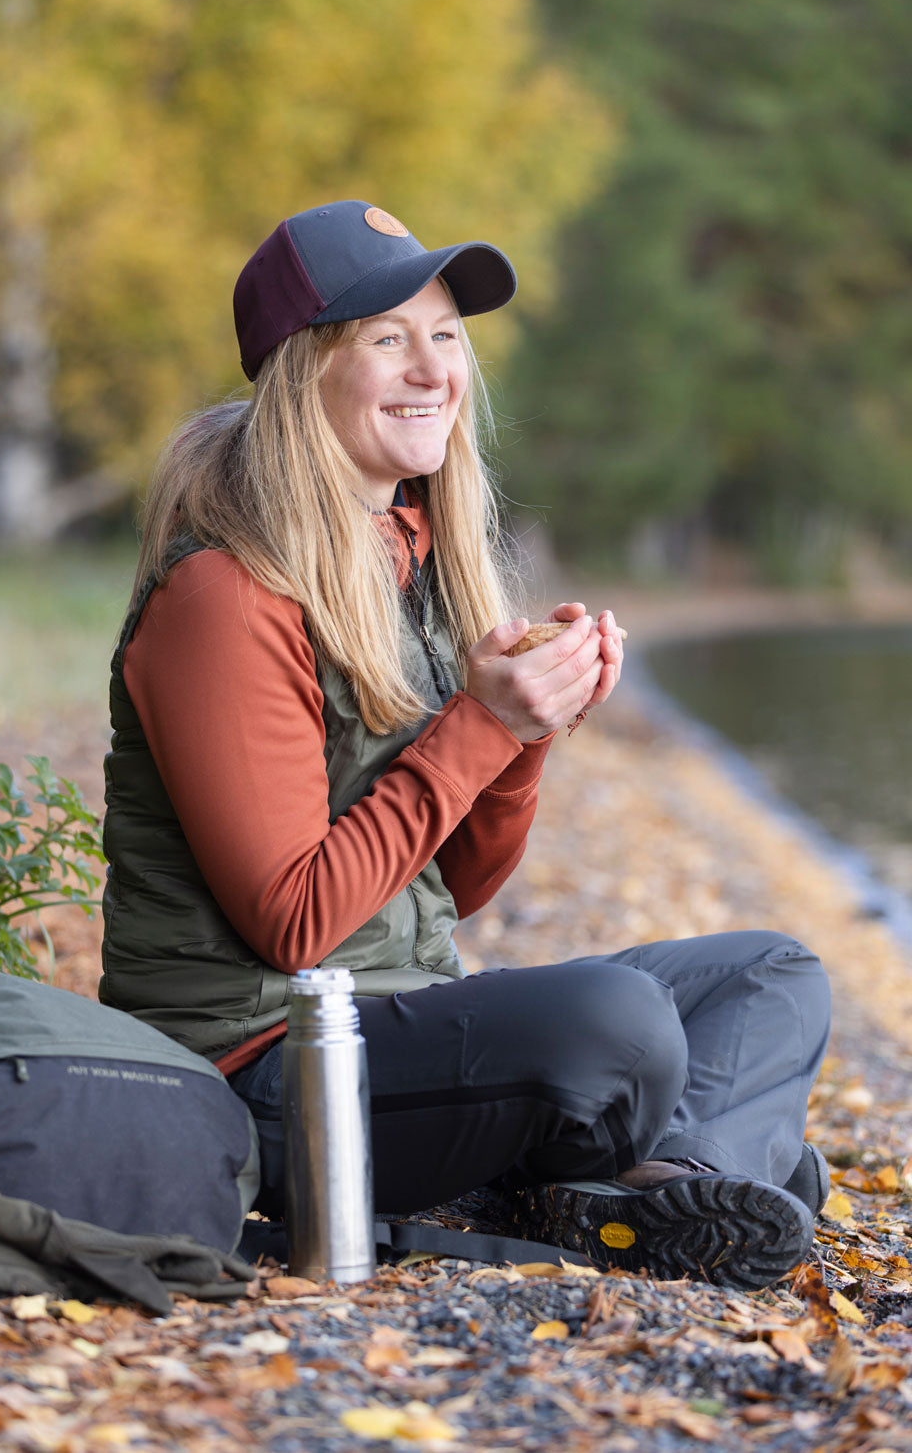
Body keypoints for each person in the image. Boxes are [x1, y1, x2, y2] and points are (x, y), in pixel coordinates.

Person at [100, 200, 831, 1289]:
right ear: (302, 374)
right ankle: (698, 1157)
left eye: (445, 335)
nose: (433, 369)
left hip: (395, 1019)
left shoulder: (406, 556)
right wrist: (482, 725)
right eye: (387, 338)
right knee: (620, 1026)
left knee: (773, 976)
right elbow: (293, 920)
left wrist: (522, 737)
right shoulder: (223, 595)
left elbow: (459, 884)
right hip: (263, 1073)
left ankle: (671, 1180)